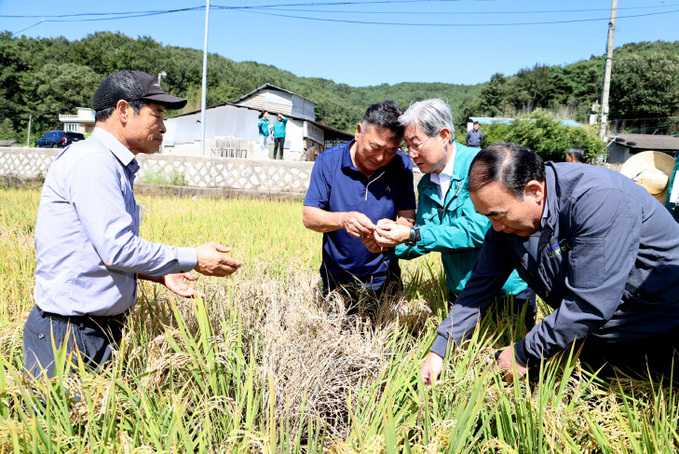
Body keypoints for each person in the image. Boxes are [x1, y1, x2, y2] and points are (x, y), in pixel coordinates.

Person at [24, 70, 243, 379]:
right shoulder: (93, 162)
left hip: (92, 332)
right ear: (124, 110)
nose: (164, 127)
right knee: (63, 424)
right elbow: (117, 248)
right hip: (69, 336)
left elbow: (94, 251)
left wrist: (158, 273)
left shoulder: (111, 164)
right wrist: (195, 257)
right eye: (158, 115)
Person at [420, 142, 679, 385]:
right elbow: (479, 287)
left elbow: (590, 302)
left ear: (534, 191)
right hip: (602, 330)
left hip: (660, 323)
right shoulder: (505, 227)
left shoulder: (598, 200)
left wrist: (524, 353)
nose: (494, 227)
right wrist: (441, 348)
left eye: (497, 215)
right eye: (486, 216)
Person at [372, 100, 532, 321]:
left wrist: (412, 234)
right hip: (462, 293)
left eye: (416, 144)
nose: (411, 154)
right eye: (406, 146)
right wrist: (387, 244)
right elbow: (426, 236)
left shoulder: (481, 167)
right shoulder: (427, 183)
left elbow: (477, 229)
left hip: (505, 293)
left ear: (444, 135)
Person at [303, 101, 416, 305]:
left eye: (391, 150)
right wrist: (343, 219)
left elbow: (407, 217)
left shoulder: (402, 165)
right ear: (358, 132)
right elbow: (309, 217)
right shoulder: (329, 161)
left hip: (385, 277)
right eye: (375, 147)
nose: (381, 157)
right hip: (337, 279)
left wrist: (393, 233)